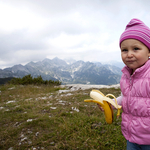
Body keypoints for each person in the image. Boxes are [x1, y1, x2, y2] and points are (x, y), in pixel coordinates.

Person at [100, 18, 150, 150]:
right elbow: (127, 97)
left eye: (136, 49)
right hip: (131, 135)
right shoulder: (126, 75)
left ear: (149, 51)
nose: (129, 54)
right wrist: (113, 102)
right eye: (124, 50)